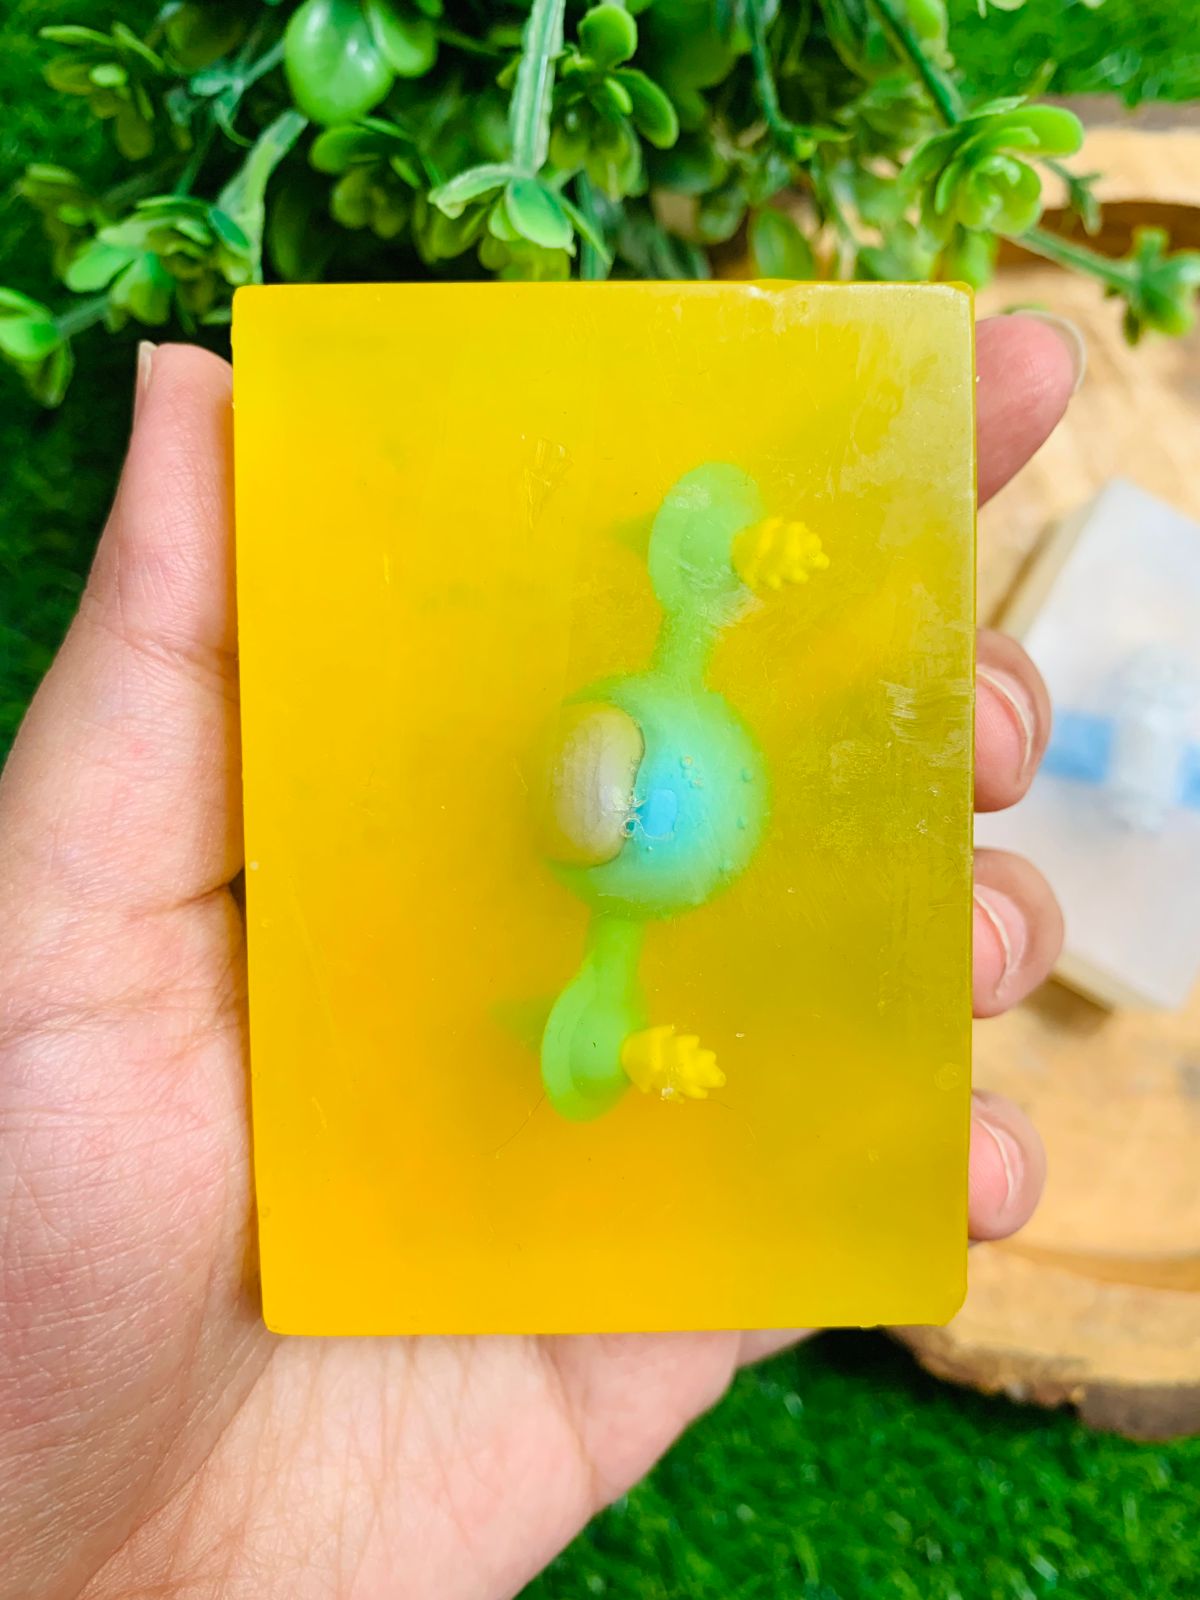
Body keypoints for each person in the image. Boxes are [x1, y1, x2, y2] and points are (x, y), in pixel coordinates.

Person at [0, 314, 1075, 1599]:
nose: (605, 791)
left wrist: (753, 556)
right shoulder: (618, 757)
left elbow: (700, 576)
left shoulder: (684, 670)